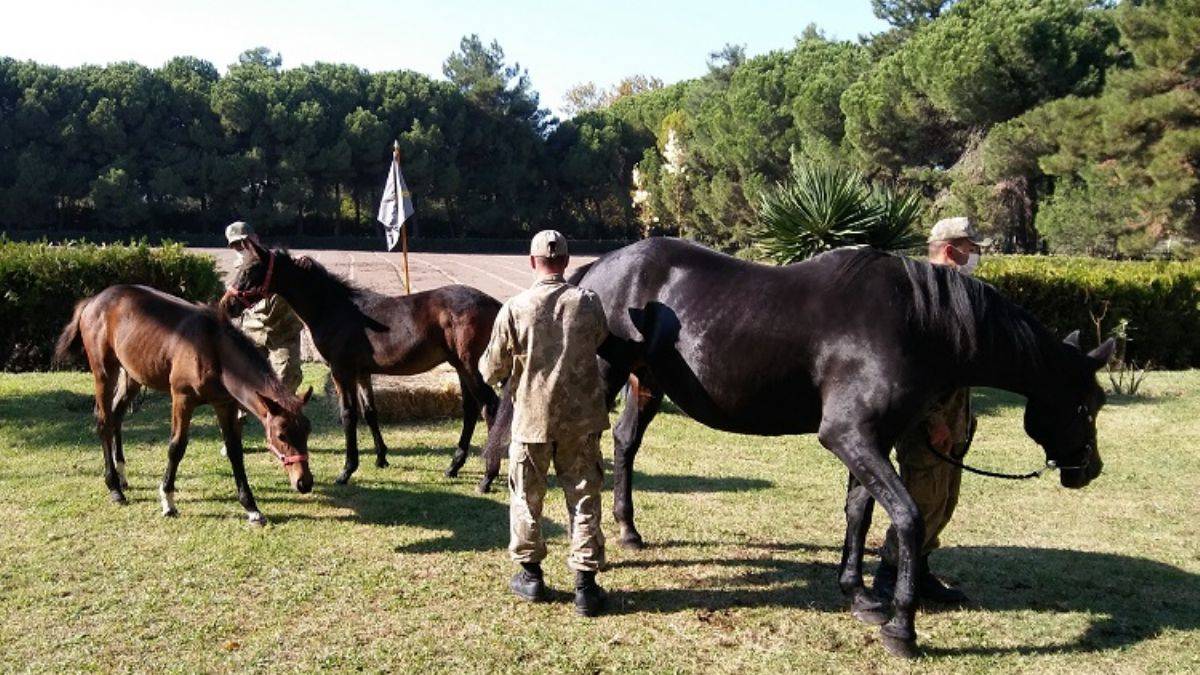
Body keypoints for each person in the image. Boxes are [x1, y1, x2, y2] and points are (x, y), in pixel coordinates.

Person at [479, 230, 611, 617]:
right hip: (582, 421)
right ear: (566, 261)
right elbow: (599, 339)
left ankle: (531, 576)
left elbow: (490, 369)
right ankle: (586, 587)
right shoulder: (588, 303)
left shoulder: (515, 308)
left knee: (526, 498)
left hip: (530, 421)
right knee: (584, 496)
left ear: (532, 261)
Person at [875, 216, 990, 605]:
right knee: (922, 498)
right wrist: (933, 419)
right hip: (927, 420)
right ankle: (890, 576)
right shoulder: (924, 294)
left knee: (944, 501)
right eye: (968, 248)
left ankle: (919, 572)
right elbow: (913, 366)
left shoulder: (955, 290)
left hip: (954, 419)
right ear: (949, 248)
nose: (973, 255)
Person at [222, 221, 305, 454]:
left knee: (287, 377)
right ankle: (233, 435)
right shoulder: (239, 269)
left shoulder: (275, 262)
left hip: (283, 331)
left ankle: (282, 430)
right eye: (236, 244)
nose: (242, 247)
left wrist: (304, 261)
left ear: (255, 238)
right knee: (242, 383)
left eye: (245, 241)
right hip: (252, 331)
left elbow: (298, 264)